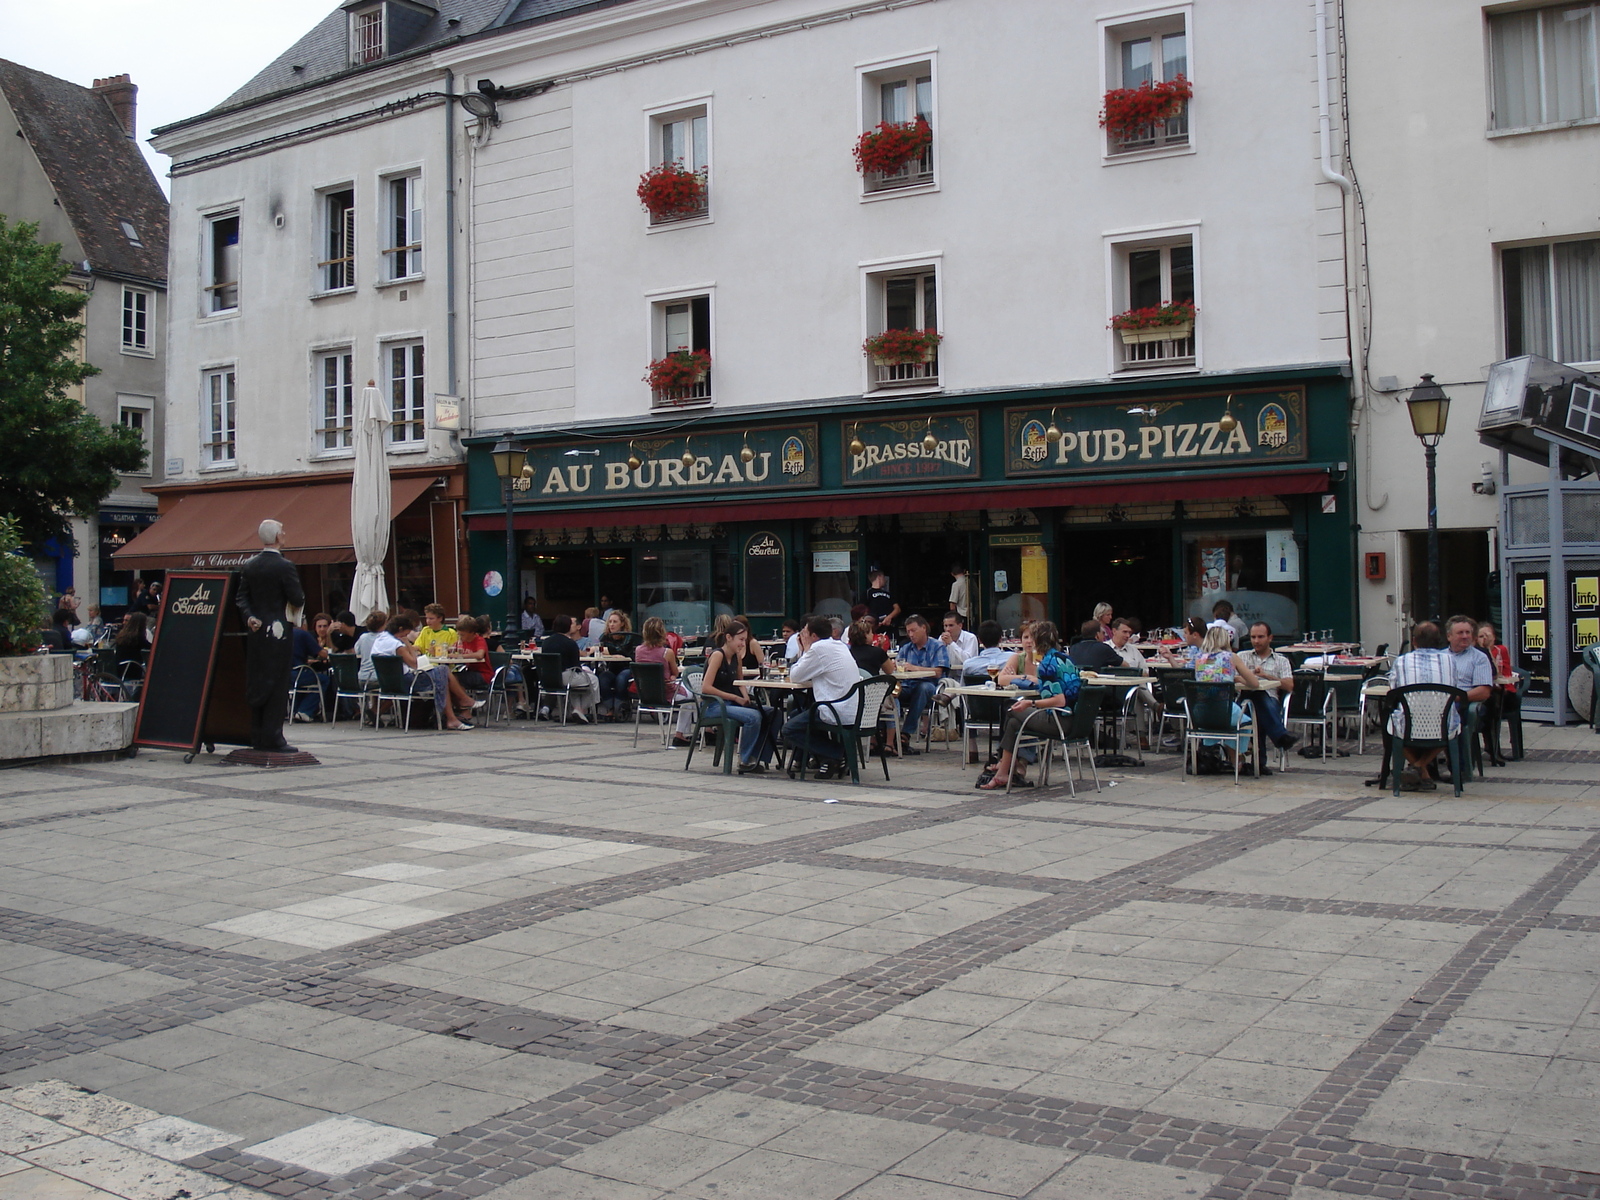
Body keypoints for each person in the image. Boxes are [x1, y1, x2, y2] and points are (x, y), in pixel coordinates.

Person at [978, 627, 1082, 790]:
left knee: (1013, 710)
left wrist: (1031, 704)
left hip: (1058, 721)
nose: (1029, 642)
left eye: (1032, 638)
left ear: (1038, 643)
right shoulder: (1064, 658)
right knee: (1013, 723)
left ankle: (1005, 764)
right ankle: (1003, 773)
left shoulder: (1047, 664)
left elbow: (1059, 700)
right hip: (1076, 721)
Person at [236, 520, 305, 753]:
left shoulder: (249, 565)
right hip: (279, 630)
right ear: (277, 537)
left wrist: (250, 617)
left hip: (256, 629)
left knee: (257, 680)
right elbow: (297, 597)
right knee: (277, 681)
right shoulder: (285, 566)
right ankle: (274, 736)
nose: (285, 534)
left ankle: (257, 734)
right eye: (282, 532)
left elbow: (241, 597)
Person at [783, 615, 865, 779]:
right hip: (853, 709)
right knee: (801, 716)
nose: (801, 637)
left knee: (789, 728)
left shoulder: (818, 648)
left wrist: (806, 649)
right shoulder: (839, 646)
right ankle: (826, 760)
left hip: (835, 710)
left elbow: (796, 676)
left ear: (813, 636)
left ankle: (835, 753)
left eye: (805, 633)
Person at [370, 613, 474, 730]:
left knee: (441, 673)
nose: (407, 635)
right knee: (443, 672)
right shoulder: (397, 645)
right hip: (406, 682)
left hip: (387, 682)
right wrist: (408, 643)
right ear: (400, 630)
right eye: (407, 633)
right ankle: (458, 709)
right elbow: (414, 663)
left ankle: (455, 713)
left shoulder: (380, 639)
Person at [698, 620, 776, 774]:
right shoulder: (718, 655)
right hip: (714, 705)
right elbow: (706, 687)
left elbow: (740, 682)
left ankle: (758, 755)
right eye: (740, 640)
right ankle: (745, 760)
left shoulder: (737, 657)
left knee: (773, 712)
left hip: (732, 704)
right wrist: (735, 698)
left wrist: (745, 697)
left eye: (745, 640)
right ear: (728, 638)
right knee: (753, 716)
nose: (743, 644)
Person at [1386, 621, 1457, 791]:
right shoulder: (1451, 660)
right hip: (1442, 725)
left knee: (1392, 728)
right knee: (1452, 728)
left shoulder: (1402, 661)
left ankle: (1417, 767)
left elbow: (1394, 689)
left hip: (1410, 724)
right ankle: (1422, 769)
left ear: (1414, 641)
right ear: (1440, 640)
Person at [1191, 624, 1263, 772]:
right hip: (1223, 711)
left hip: (1201, 714)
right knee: (1243, 720)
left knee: (1232, 717)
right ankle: (1239, 757)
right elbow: (1254, 683)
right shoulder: (1231, 657)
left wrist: (1233, 678)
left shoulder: (1199, 659)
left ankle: (1233, 758)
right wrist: (1239, 679)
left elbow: (1210, 677)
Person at [1237, 622, 1300, 752]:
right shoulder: (1242, 657)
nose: (1256, 641)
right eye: (1253, 637)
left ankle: (1259, 763)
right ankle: (1280, 736)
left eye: (1260, 637)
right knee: (1255, 696)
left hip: (1270, 701)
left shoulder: (1281, 660)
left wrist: (1266, 676)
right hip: (1244, 700)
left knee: (1259, 699)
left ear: (1270, 638)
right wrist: (1251, 676)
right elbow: (1233, 679)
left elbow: (1289, 686)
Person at [894, 614, 948, 754]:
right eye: (908, 631)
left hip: (930, 687)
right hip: (907, 685)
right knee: (889, 691)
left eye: (913, 630)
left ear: (924, 628)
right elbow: (898, 668)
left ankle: (905, 733)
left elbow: (938, 672)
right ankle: (886, 734)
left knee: (923, 688)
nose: (910, 634)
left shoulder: (937, 646)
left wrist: (915, 668)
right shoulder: (906, 648)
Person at [539, 614, 599, 721]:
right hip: (565, 677)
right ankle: (581, 709)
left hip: (547, 678)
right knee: (593, 680)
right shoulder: (570, 643)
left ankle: (577, 709)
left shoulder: (546, 642)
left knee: (575, 682)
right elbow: (575, 666)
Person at [1477, 621, 1513, 768]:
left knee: (1495, 702)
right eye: (1481, 635)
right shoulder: (1477, 652)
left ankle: (1493, 746)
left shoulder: (1500, 650)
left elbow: (1502, 673)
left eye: (1488, 635)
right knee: (1491, 704)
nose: (1484, 638)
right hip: (1485, 692)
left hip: (1502, 689)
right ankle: (1492, 746)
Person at [595, 610, 641, 719]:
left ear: (622, 624)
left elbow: (625, 652)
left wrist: (612, 651)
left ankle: (620, 707)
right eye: (610, 622)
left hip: (627, 668)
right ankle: (610, 708)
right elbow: (598, 649)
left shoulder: (629, 637)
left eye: (615, 622)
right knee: (603, 678)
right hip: (612, 668)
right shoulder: (605, 637)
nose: (611, 624)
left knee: (621, 679)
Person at [290, 614, 333, 722]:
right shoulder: (303, 634)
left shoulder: (282, 634)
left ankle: (296, 711)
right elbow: (322, 654)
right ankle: (305, 711)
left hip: (282, 675)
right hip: (297, 673)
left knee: (302, 685)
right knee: (323, 680)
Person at [354, 610, 388, 684]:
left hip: (362, 677)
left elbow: (356, 651)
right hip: (378, 678)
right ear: (383, 624)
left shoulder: (363, 637)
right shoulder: (386, 638)